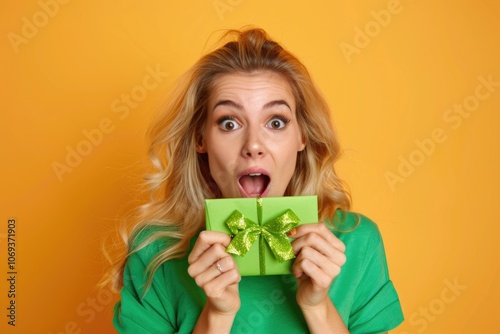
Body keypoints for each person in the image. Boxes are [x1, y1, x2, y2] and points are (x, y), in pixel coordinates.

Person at [110, 27, 404, 333]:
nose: (253, 145)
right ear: (201, 139)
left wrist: (317, 306)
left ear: (302, 136)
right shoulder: (155, 251)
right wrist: (217, 315)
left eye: (276, 122)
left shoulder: (357, 242)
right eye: (229, 123)